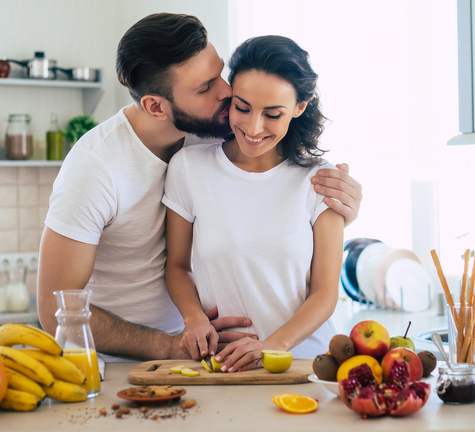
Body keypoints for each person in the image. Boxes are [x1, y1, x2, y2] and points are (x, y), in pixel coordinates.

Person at [36, 13, 363, 361]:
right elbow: (53, 310)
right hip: (132, 363)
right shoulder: (96, 168)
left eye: (219, 74)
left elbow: (272, 184)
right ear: (156, 107)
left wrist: (341, 209)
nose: (227, 92)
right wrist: (172, 345)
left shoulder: (214, 128)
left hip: (211, 354)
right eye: (206, 87)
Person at [164, 35, 343, 373]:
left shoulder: (320, 180)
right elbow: (177, 266)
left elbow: (324, 293)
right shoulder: (189, 167)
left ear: (299, 108)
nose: (253, 127)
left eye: (273, 114)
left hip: (303, 363)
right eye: (242, 107)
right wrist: (193, 318)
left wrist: (273, 345)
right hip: (221, 363)